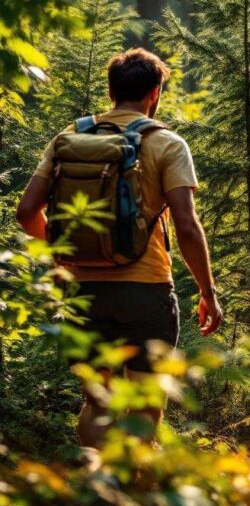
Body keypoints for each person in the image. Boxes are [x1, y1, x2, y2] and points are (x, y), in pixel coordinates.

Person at [16, 48, 223, 450]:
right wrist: (207, 292)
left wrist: (62, 253)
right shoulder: (167, 143)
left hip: (82, 290)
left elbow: (27, 212)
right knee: (145, 404)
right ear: (154, 93)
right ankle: (134, 488)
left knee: (96, 401)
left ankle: (95, 489)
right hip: (145, 289)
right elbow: (186, 224)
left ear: (111, 91)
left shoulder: (69, 138)